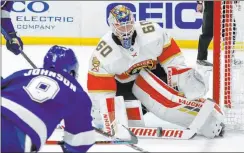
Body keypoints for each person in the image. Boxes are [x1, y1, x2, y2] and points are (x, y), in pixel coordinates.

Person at [87, 5, 225, 139]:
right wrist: (104, 118)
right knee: (128, 121)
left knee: (180, 88)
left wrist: (181, 87)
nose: (126, 30)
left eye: (128, 25)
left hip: (153, 77)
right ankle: (207, 118)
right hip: (125, 91)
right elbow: (101, 95)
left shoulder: (151, 33)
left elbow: (174, 63)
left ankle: (208, 118)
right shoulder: (103, 55)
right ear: (112, 26)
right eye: (120, 26)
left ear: (133, 21)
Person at [1, 45, 95, 152]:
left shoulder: (21, 74)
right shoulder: (77, 91)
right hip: (17, 133)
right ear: (72, 72)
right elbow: (81, 141)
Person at [196, 1, 243, 66]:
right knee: (207, 32)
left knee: (230, 30)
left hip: (226, 3)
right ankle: (201, 59)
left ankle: (230, 58)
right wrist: (199, 2)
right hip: (211, 4)